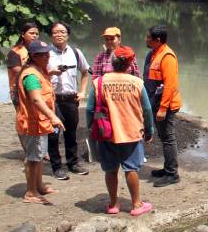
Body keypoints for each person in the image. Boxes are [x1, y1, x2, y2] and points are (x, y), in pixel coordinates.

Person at [87, 46, 154, 216]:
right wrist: (149, 129)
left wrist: (90, 129)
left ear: (112, 62)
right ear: (131, 63)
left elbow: (89, 110)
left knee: (110, 169)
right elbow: (147, 109)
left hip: (106, 133)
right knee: (131, 169)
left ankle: (113, 205)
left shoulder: (99, 82)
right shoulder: (137, 83)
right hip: (131, 132)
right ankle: (136, 205)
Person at [16, 40, 63, 204]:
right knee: (33, 158)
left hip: (40, 123)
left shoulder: (38, 70)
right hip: (33, 123)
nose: (48, 56)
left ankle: (39, 185)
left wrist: (51, 74)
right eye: (44, 54)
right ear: (34, 56)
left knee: (39, 156)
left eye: (48, 53)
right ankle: (31, 192)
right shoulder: (31, 76)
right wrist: (53, 116)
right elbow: (36, 99)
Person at [47, 21, 90, 180]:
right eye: (55, 32)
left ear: (68, 35)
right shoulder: (45, 54)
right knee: (53, 133)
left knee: (71, 132)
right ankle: (57, 167)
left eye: (62, 32)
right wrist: (51, 73)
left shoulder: (75, 52)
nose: (59, 35)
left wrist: (83, 91)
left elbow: (85, 72)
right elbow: (38, 75)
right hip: (52, 99)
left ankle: (73, 163)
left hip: (71, 99)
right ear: (51, 35)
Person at [143, 25, 182, 187]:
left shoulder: (167, 57)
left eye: (148, 37)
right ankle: (167, 169)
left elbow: (170, 85)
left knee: (168, 139)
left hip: (166, 105)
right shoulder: (153, 54)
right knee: (164, 138)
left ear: (157, 40)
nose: (146, 39)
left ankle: (172, 174)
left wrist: (163, 108)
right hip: (156, 103)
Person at [6, 22, 40, 155]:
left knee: (39, 118)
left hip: (37, 89)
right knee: (23, 120)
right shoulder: (15, 52)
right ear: (22, 34)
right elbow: (17, 71)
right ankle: (28, 151)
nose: (34, 36)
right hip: (19, 92)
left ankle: (39, 150)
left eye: (36, 33)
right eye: (31, 33)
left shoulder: (38, 50)